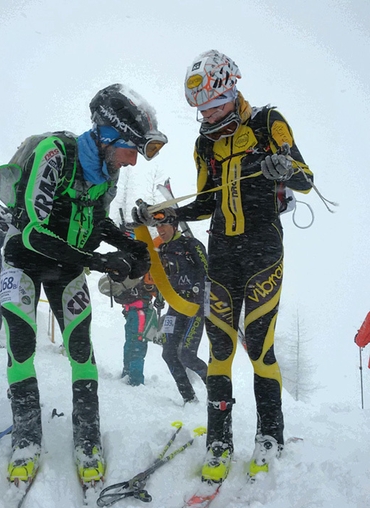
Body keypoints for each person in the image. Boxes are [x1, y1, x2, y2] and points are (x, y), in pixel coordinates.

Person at [132, 50, 314, 482]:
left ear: (231, 90)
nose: (206, 114)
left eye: (213, 104)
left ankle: (269, 437)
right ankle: (219, 441)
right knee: (219, 350)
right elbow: (205, 202)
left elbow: (306, 179)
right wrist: (166, 215)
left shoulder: (268, 122)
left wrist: (284, 168)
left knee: (259, 345)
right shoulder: (204, 144)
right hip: (223, 255)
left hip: (263, 251)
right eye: (200, 108)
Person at [0, 84, 167, 485]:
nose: (132, 162)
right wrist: (98, 260)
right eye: (131, 150)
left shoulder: (105, 173)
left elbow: (96, 220)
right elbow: (34, 231)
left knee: (81, 349)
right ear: (109, 136)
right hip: (23, 260)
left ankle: (87, 436)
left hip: (67, 268)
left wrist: (130, 245)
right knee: (21, 345)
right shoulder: (54, 154)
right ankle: (26, 436)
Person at [155, 221, 208, 404]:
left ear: (174, 226)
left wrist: (204, 302)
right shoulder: (162, 250)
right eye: (157, 227)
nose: (160, 230)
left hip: (196, 307)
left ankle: (215, 391)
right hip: (175, 306)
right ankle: (189, 398)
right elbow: (163, 276)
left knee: (187, 355)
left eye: (164, 226)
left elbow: (208, 273)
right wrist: (160, 297)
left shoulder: (191, 244)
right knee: (168, 354)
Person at [98, 272, 158, 386]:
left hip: (132, 311)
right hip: (140, 312)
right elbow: (158, 291)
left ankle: (128, 374)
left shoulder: (132, 270)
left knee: (131, 344)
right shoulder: (145, 272)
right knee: (137, 345)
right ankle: (135, 380)